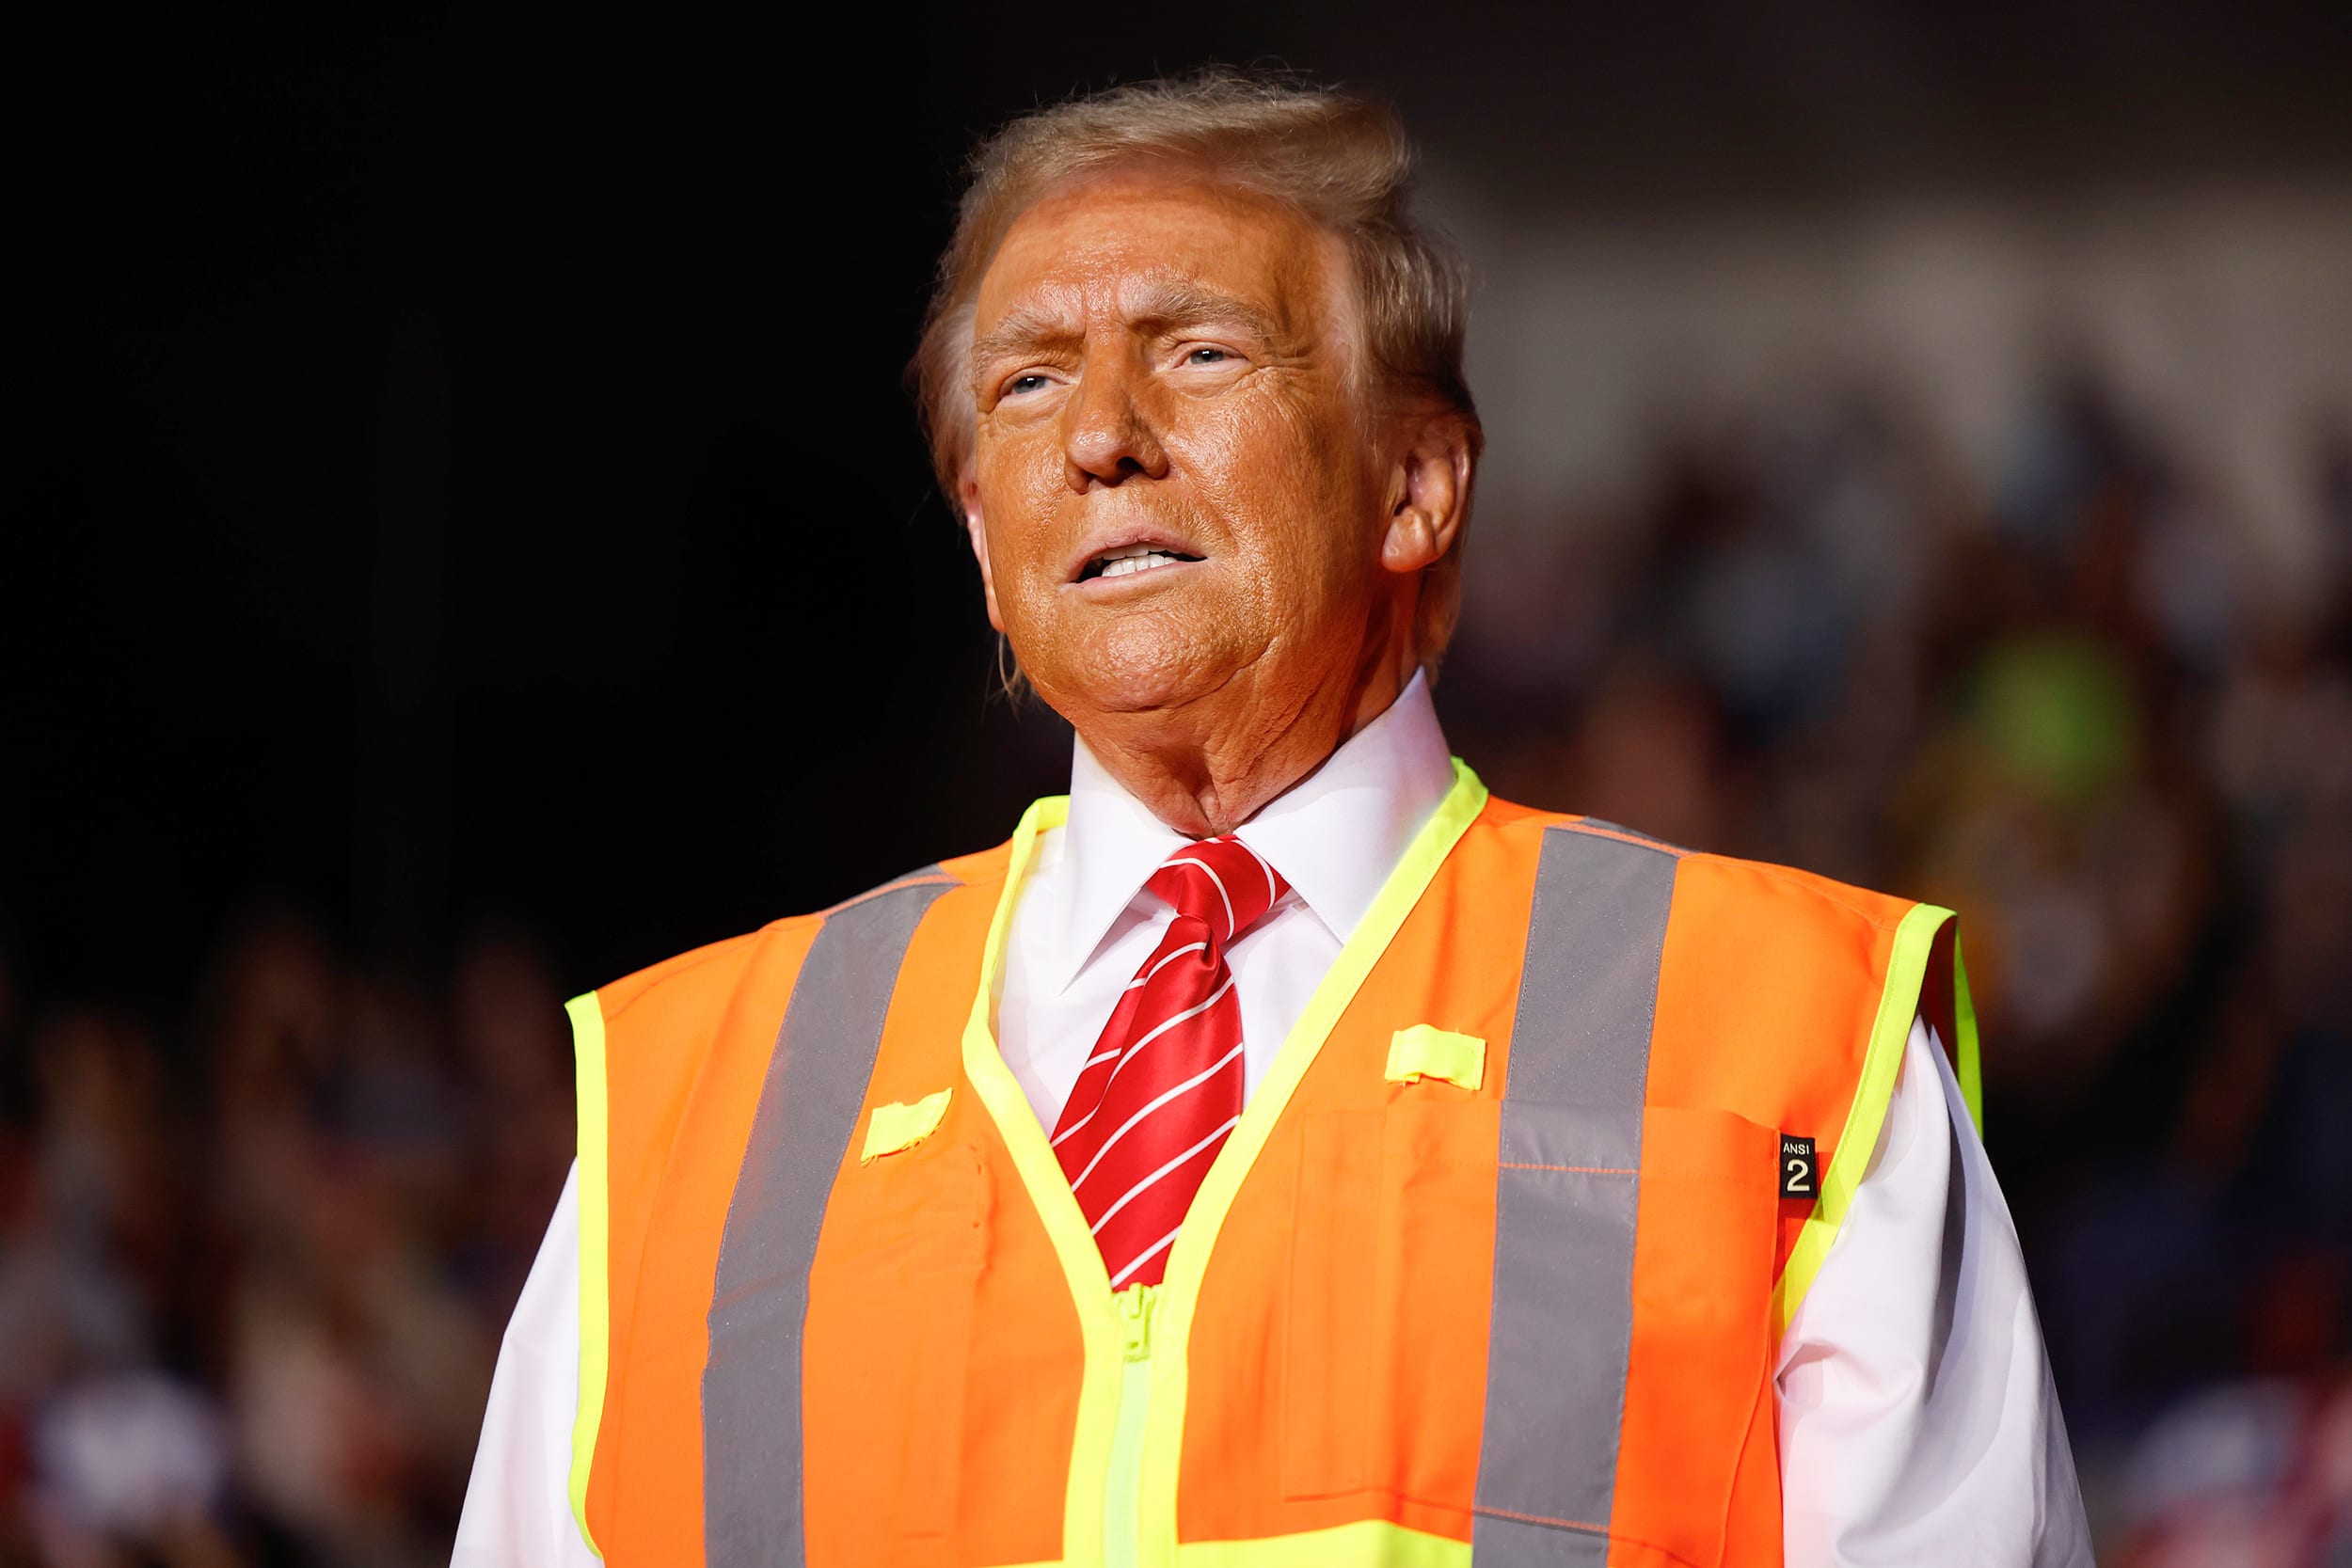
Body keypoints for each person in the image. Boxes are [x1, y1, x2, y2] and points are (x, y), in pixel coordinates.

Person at [454, 71, 2091, 1567]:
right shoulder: (683, 1116)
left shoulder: (1789, 1039)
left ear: (1416, 486)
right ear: (978, 541)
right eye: (1026, 383)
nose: (1099, 436)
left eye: (1200, 351)